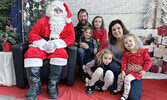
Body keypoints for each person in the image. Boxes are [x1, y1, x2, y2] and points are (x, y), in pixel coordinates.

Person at [24, 1, 75, 100]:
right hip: (41, 45)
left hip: (57, 46)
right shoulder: (43, 20)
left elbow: (71, 38)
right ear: (51, 10)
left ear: (63, 12)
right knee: (31, 53)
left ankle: (52, 85)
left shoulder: (68, 24)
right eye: (55, 10)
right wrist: (43, 43)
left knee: (61, 54)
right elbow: (32, 34)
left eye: (60, 10)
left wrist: (56, 44)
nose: (58, 12)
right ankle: (35, 87)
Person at [108, 19, 144, 100]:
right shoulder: (110, 43)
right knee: (112, 65)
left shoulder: (132, 39)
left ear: (122, 28)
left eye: (118, 28)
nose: (116, 31)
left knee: (134, 98)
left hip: (134, 70)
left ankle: (127, 84)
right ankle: (118, 84)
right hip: (120, 68)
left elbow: (144, 55)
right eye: (113, 29)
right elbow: (112, 57)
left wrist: (142, 68)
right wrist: (124, 66)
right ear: (111, 32)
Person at [111, 34, 152, 100]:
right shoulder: (126, 53)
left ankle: (125, 96)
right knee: (120, 76)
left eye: (130, 41)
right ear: (124, 46)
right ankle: (118, 89)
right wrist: (123, 71)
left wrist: (144, 70)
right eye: (126, 43)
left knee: (127, 79)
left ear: (135, 42)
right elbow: (123, 62)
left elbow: (149, 61)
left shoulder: (142, 52)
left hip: (136, 73)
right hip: (128, 71)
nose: (128, 43)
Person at [74, 9, 92, 81]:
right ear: (78, 18)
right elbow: (72, 41)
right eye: (80, 16)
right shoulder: (75, 29)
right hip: (81, 50)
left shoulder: (92, 28)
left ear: (87, 17)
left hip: (91, 49)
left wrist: (89, 47)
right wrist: (80, 44)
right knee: (81, 51)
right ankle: (83, 73)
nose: (83, 18)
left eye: (84, 16)